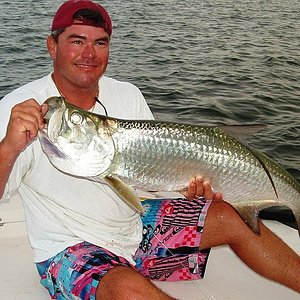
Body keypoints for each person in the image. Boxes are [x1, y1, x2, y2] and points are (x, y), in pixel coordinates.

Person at [0, 1, 299, 299]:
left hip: (135, 227)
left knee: (229, 216)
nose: (89, 54)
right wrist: (9, 146)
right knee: (125, 287)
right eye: (76, 41)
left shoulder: (127, 94)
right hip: (70, 248)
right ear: (52, 46)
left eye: (99, 43)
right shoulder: (21, 108)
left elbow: (149, 180)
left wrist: (188, 185)